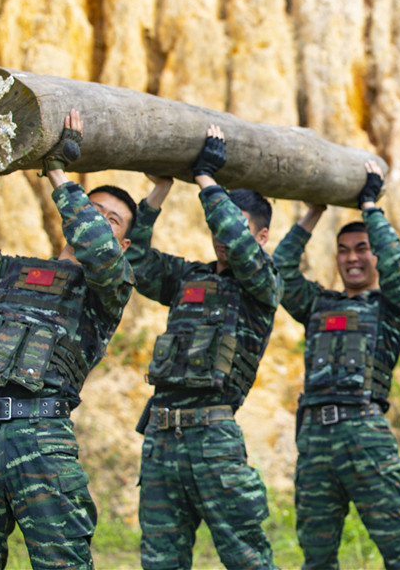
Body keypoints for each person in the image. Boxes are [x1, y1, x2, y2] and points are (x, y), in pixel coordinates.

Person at [0, 109, 135, 570]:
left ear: (124, 244)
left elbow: (98, 253)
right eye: (93, 210)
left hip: (42, 439)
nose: (96, 221)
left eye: (111, 220)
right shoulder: (11, 271)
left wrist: (57, 174)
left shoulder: (108, 288)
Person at [128, 125, 283, 570]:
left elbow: (235, 239)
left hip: (213, 439)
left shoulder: (261, 283)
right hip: (160, 437)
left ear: (262, 236)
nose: (221, 233)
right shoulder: (187, 278)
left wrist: (207, 179)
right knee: (160, 560)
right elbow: (136, 259)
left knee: (246, 557)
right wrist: (158, 193)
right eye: (215, 224)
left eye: (234, 224)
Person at [272, 161, 400, 570]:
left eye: (362, 249)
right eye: (343, 251)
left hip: (366, 435)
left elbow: (395, 266)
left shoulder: (392, 307)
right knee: (316, 559)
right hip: (314, 440)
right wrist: (313, 213)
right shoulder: (319, 305)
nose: (352, 259)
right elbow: (280, 273)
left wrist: (370, 207)